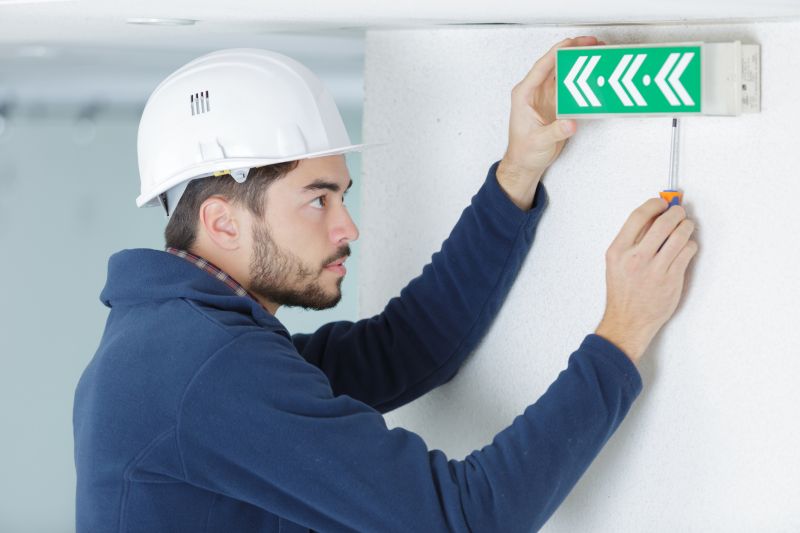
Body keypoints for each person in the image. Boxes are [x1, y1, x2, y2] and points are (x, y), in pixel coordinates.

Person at [73, 36, 698, 532]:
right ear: (221, 221)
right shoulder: (206, 366)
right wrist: (624, 331)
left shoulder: (175, 342)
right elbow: (465, 519)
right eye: (318, 201)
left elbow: (407, 348)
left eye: (343, 195)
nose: (349, 226)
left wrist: (517, 172)